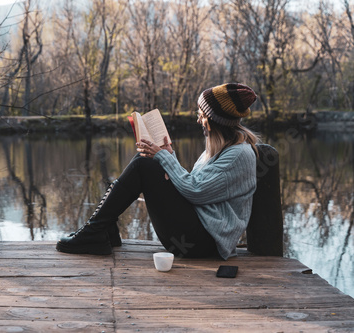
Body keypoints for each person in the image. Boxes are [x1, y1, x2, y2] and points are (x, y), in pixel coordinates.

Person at [56, 83, 259, 260]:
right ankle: (102, 229)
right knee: (145, 161)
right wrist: (169, 156)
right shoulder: (223, 149)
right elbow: (199, 185)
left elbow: (196, 191)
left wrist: (164, 158)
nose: (198, 120)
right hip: (200, 233)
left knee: (145, 165)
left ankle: (95, 231)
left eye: (201, 115)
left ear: (215, 120)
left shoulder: (239, 155)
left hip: (203, 242)